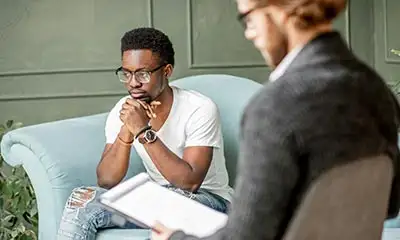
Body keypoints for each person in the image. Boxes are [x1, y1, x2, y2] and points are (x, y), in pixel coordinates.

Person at [151, 0, 400, 239]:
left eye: (247, 18)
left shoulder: (276, 104)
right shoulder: (377, 90)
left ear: (281, 10)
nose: (249, 33)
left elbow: (247, 237)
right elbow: (389, 203)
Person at [57, 27, 233, 240]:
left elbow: (189, 183)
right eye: (127, 73)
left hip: (210, 202)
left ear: (166, 71)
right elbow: (106, 180)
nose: (133, 83)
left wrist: (142, 130)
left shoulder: (199, 108)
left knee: (170, 203)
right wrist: (127, 129)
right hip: (159, 198)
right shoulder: (124, 110)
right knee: (82, 199)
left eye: (143, 74)